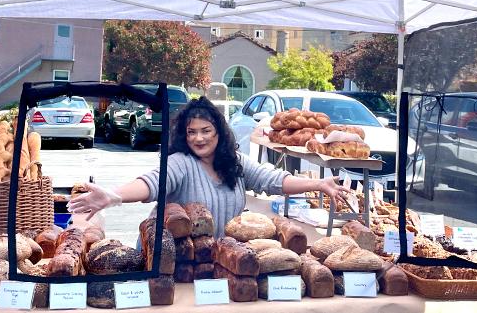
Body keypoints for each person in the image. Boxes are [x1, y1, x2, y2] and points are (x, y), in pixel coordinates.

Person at [68, 96, 349, 237]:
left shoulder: (234, 162)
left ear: (219, 132)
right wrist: (114, 196)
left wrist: (318, 184)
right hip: (176, 264)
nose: (198, 138)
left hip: (219, 263)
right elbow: (152, 183)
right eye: (191, 132)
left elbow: (273, 179)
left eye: (205, 130)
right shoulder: (181, 163)